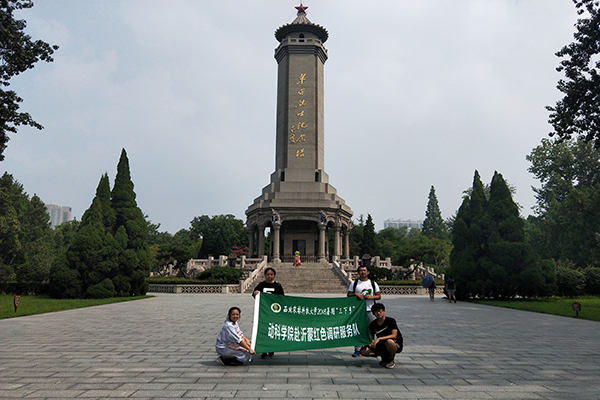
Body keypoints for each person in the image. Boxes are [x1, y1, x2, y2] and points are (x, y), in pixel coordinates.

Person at [347, 265, 381, 357]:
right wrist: (356, 294)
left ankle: (370, 347)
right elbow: (349, 295)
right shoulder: (354, 284)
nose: (363, 272)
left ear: (368, 272)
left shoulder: (373, 284)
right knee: (357, 329)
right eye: (361, 270)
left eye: (364, 270)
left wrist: (371, 297)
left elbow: (378, 296)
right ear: (358, 273)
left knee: (371, 330)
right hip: (358, 311)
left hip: (371, 310)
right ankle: (357, 349)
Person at [252, 267, 285, 359]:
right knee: (264, 330)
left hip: (273, 313)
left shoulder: (278, 286)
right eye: (267, 274)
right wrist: (255, 293)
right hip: (264, 312)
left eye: (271, 274)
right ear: (265, 275)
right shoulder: (261, 285)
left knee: (272, 330)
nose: (269, 276)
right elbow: (254, 295)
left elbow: (282, 298)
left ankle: (271, 349)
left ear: (274, 275)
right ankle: (263, 350)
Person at [360, 303, 403, 369]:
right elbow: (371, 337)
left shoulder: (391, 321)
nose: (378, 313)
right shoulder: (373, 324)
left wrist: (379, 339)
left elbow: (394, 335)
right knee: (363, 351)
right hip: (382, 344)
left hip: (395, 343)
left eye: (380, 311)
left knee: (389, 342)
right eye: (376, 312)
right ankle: (384, 356)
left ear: (384, 311)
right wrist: (372, 342)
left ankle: (391, 359)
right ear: (373, 313)